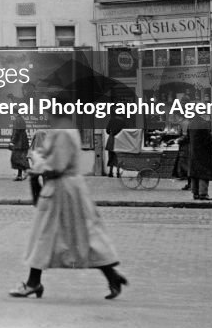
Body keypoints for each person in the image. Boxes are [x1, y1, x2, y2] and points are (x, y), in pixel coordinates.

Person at [9, 100, 127, 301]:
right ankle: (111, 275)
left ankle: (33, 282)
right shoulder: (67, 129)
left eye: (48, 110)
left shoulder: (62, 132)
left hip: (61, 190)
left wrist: (37, 165)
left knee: (44, 234)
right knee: (84, 235)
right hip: (70, 189)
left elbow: (57, 165)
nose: (46, 115)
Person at [187, 110, 212, 201]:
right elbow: (207, 139)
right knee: (204, 172)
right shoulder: (204, 124)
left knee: (195, 172)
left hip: (193, 152)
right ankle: (203, 193)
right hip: (203, 152)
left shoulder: (190, 124)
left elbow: (188, 138)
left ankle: (195, 193)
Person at [10, 111, 30, 181]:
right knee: (21, 159)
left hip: (19, 143)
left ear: (15, 113)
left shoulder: (17, 120)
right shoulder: (22, 119)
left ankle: (26, 171)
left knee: (16, 159)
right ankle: (20, 175)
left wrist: (12, 142)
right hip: (23, 142)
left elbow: (16, 132)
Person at [104, 113, 124, 178]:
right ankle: (118, 172)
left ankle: (110, 172)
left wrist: (111, 133)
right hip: (120, 139)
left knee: (111, 156)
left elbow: (107, 130)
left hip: (112, 138)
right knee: (118, 157)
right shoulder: (122, 121)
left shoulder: (111, 120)